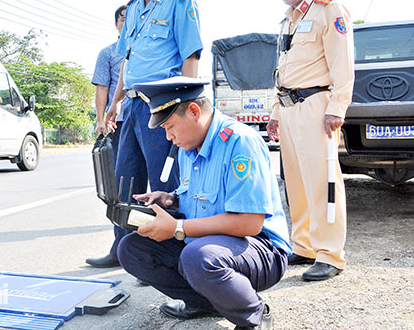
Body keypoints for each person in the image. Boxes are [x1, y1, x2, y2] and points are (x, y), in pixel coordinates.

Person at [117, 77, 291, 330]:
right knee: (132, 249)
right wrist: (171, 198)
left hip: (260, 249)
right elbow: (199, 196)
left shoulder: (239, 142)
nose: (168, 136)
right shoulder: (188, 148)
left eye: (170, 127)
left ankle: (254, 314)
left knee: (198, 257)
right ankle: (203, 302)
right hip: (209, 244)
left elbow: (250, 223)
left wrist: (178, 227)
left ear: (194, 112)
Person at [86, 0, 203, 268]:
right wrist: (114, 103)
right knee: (125, 179)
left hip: (164, 107)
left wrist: (185, 105)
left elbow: (190, 56)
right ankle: (122, 248)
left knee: (164, 180)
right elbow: (127, 60)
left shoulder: (181, 3)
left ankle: (165, 255)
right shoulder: (133, 9)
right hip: (133, 108)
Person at [264, 0, 354, 281]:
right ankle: (304, 245)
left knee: (323, 181)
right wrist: (275, 111)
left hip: (317, 107)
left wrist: (336, 108)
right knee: (296, 184)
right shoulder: (287, 20)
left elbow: (342, 66)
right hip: (288, 110)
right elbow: (282, 69)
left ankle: (330, 254)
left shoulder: (329, 10)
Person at [91, 4, 127, 163]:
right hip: (117, 121)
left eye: (131, 19)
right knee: (120, 168)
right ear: (116, 24)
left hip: (146, 117)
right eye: (123, 19)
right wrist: (100, 120)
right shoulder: (108, 53)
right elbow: (102, 88)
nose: (127, 24)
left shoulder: (146, 51)